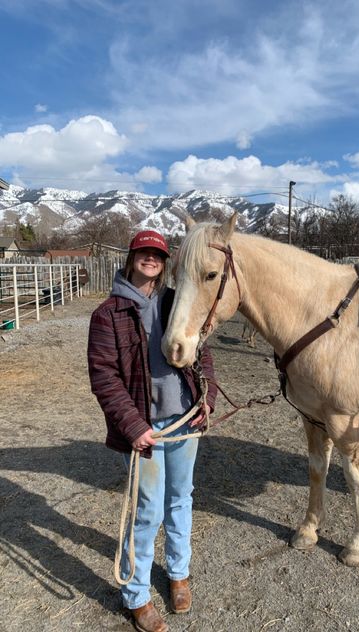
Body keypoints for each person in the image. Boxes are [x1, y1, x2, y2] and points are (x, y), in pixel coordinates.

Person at [88, 230, 217, 632]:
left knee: (181, 498)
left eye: (157, 255)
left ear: (165, 263)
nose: (150, 259)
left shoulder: (174, 300)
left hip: (183, 419)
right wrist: (133, 426)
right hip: (145, 427)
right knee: (147, 510)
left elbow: (203, 350)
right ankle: (137, 595)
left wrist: (205, 399)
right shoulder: (108, 314)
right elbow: (104, 377)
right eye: (144, 253)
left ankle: (178, 573)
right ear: (131, 258)